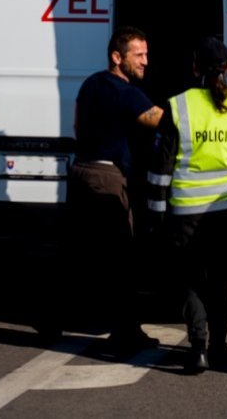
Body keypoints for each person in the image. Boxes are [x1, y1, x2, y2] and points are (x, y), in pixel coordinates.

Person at [146, 37, 227, 374]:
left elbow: (160, 170)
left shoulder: (179, 107)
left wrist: (155, 215)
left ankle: (198, 346)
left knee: (186, 280)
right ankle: (218, 346)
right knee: (219, 281)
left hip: (186, 214)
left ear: (194, 67)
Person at [68, 26, 164, 354]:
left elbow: (76, 125)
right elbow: (159, 121)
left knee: (94, 256)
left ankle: (114, 325)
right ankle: (124, 335)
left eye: (146, 55)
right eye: (139, 55)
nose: (145, 62)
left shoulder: (90, 84)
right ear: (117, 57)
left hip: (80, 170)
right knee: (123, 259)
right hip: (106, 178)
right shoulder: (124, 92)